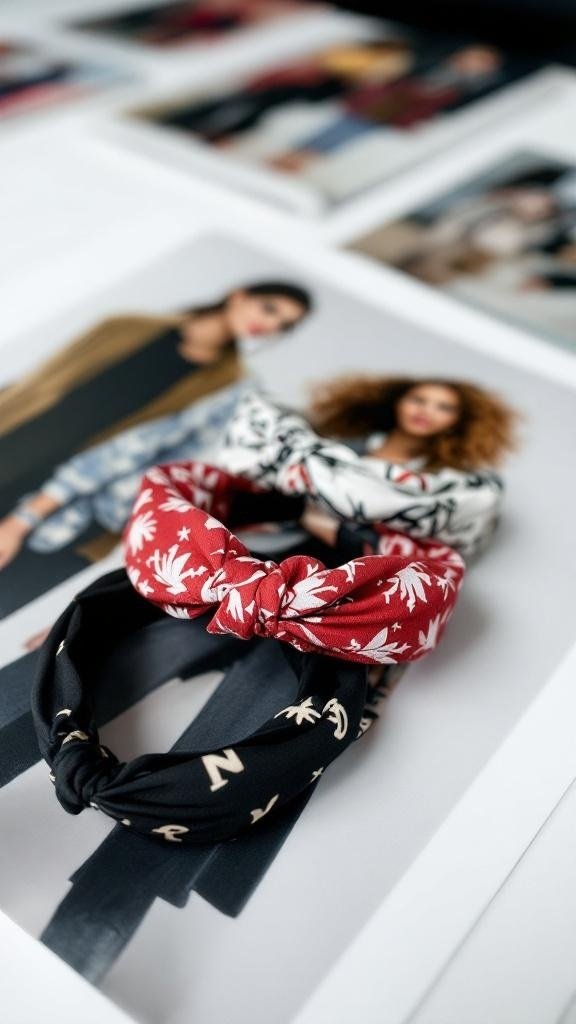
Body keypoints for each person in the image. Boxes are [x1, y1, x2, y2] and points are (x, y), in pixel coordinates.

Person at [0, 281, 312, 616]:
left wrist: (27, 517)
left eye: (283, 325)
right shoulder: (125, 326)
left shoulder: (230, 387)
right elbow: (36, 384)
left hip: (69, 495)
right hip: (16, 442)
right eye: (269, 309)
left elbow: (140, 457)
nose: (269, 326)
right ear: (239, 295)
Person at [218, 375, 518, 559]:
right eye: (419, 399)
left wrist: (322, 518)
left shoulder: (435, 482)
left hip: (339, 578)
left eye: (444, 407)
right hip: (259, 547)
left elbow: (402, 545)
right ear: (398, 402)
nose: (427, 411)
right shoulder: (338, 446)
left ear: (459, 422)